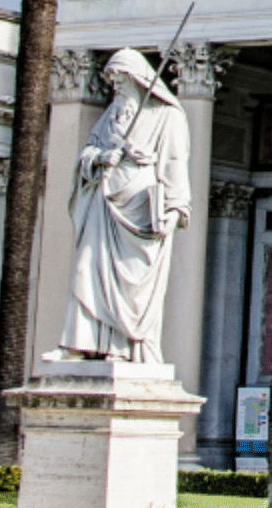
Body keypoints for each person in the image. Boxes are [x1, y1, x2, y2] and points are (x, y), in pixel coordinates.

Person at [61, 48, 193, 361]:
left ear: (138, 79)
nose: (115, 86)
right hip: (103, 206)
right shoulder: (110, 116)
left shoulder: (167, 117)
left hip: (140, 214)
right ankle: (81, 343)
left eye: (121, 80)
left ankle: (123, 348)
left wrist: (173, 213)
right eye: (112, 80)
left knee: (134, 289)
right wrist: (100, 158)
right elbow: (87, 153)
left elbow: (176, 166)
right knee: (85, 269)